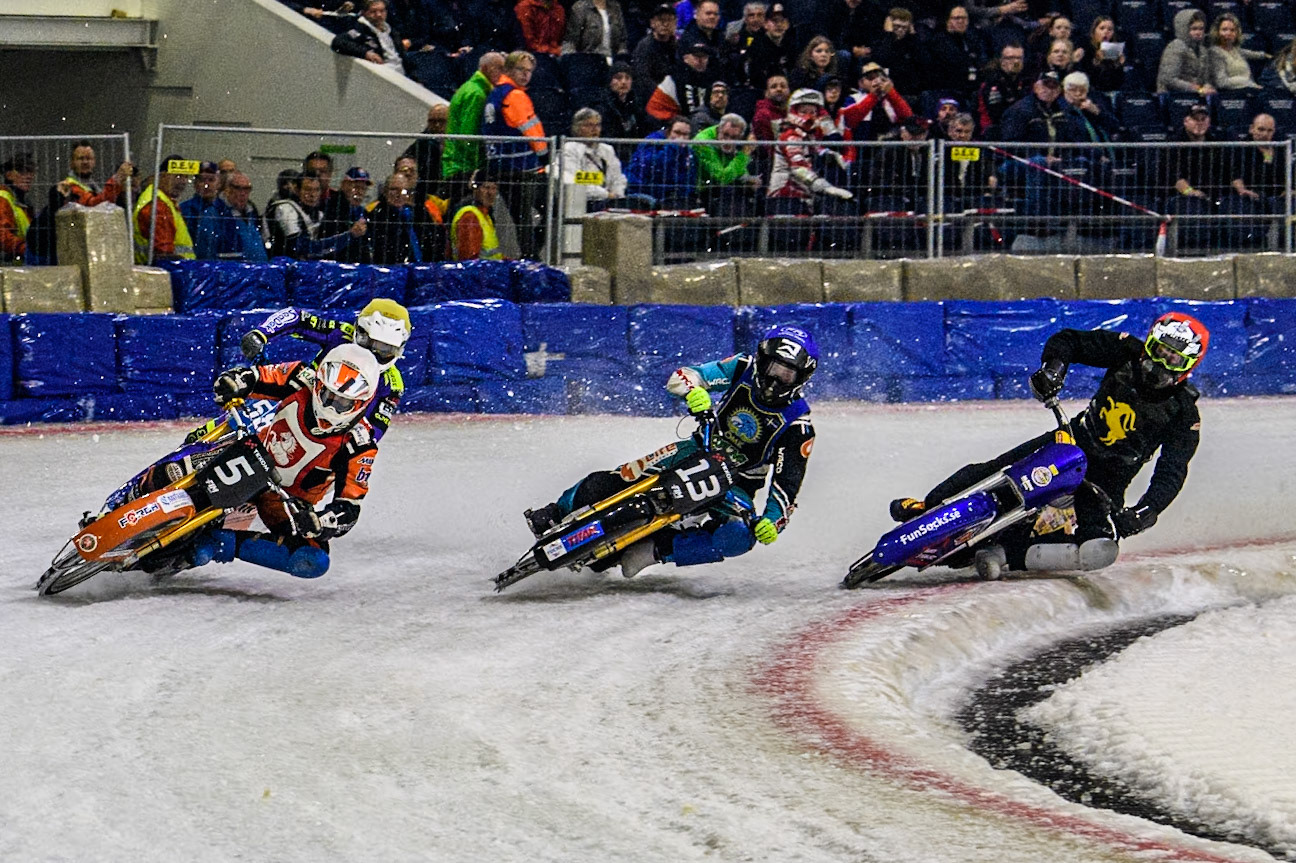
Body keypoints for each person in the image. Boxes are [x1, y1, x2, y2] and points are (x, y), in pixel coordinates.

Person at [892, 313, 1209, 577]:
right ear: (1148, 344)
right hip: (1073, 440)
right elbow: (1069, 340)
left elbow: (1173, 470)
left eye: (1173, 360)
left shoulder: (1184, 413)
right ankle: (929, 506)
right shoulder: (1125, 350)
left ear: (1188, 367)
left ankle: (1008, 554)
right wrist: (1052, 370)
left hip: (1110, 476)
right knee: (996, 469)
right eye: (1157, 351)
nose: (1159, 365)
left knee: (1099, 550)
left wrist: (1144, 512)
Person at [523, 325, 818, 580]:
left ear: (801, 378)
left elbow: (786, 487)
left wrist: (771, 521)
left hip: (737, 484)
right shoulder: (741, 366)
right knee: (626, 474)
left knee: (740, 537)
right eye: (772, 368)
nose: (775, 379)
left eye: (786, 374)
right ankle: (557, 511)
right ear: (762, 360)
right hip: (695, 449)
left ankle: (655, 551)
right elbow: (684, 375)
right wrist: (695, 390)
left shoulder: (799, 426)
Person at [227, 298, 410, 444]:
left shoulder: (392, 384)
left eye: (385, 349)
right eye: (370, 344)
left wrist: (355, 442)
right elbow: (297, 317)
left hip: (327, 433)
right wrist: (262, 333)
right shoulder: (342, 333)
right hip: (298, 397)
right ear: (358, 331)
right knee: (238, 419)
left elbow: (376, 428)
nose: (373, 353)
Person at [483, 50, 549, 259]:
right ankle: (531, 257)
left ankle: (529, 256)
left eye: (529, 71)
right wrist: (545, 157)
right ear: (509, 70)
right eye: (521, 69)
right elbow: (532, 130)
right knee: (548, 211)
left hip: (499, 165)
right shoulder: (516, 96)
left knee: (520, 218)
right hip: (521, 166)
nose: (526, 75)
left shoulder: (494, 94)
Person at [443, 51, 506, 200]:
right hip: (464, 167)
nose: (502, 73)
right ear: (485, 68)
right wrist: (480, 165)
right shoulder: (477, 94)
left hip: (457, 164)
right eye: (499, 68)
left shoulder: (470, 88)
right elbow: (469, 135)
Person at [267, 170, 367, 259]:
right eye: (307, 189)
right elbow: (302, 247)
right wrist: (349, 235)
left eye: (316, 190)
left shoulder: (319, 213)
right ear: (297, 190)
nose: (312, 194)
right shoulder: (285, 209)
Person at [694, 113, 760, 217]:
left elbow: (737, 169)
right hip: (698, 190)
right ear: (719, 129)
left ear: (740, 137)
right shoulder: (703, 142)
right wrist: (744, 154)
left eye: (734, 137)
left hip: (714, 188)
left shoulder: (732, 144)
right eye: (725, 135)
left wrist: (747, 178)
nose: (728, 141)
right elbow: (723, 177)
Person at [562, 108, 629, 209]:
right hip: (584, 202)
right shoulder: (569, 149)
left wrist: (618, 196)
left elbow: (618, 178)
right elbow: (576, 180)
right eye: (589, 125)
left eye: (597, 125)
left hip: (609, 201)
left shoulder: (607, 149)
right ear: (577, 128)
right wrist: (605, 194)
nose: (594, 129)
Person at [626, 115, 699, 207]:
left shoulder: (688, 153)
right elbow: (652, 166)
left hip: (669, 196)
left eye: (685, 134)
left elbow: (688, 179)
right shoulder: (652, 143)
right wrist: (673, 147)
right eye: (677, 132)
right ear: (668, 132)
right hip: (642, 191)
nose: (681, 138)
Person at [133, 155, 195, 264]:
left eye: (186, 177)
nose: (183, 182)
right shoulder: (157, 206)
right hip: (171, 274)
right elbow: (164, 254)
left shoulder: (164, 201)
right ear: (162, 176)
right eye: (178, 176)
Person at [839, 61, 913, 142]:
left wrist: (891, 93)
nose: (876, 81)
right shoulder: (852, 99)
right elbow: (850, 120)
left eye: (880, 77)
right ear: (861, 83)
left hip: (890, 145)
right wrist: (873, 96)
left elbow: (908, 118)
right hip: (863, 146)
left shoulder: (892, 97)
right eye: (871, 78)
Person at [646, 40, 720, 120]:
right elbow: (689, 110)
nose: (700, 60)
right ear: (686, 58)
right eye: (696, 56)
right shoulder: (679, 76)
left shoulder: (706, 76)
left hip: (676, 116)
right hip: (661, 116)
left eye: (704, 57)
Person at [922, 5, 983, 102]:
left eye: (964, 18)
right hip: (947, 92)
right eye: (956, 18)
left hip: (970, 89)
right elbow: (955, 64)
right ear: (948, 21)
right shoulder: (939, 41)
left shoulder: (972, 40)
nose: (960, 21)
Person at [596, 61, 655, 161]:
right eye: (618, 78)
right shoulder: (602, 105)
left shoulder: (637, 104)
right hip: (611, 156)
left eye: (627, 78)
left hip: (634, 156)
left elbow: (646, 127)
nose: (623, 82)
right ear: (610, 81)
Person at [179, 161, 236, 260]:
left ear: (219, 184)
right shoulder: (185, 210)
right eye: (202, 180)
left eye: (211, 180)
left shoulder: (225, 211)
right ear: (195, 184)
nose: (206, 185)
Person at [331, 0, 408, 73]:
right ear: (364, 13)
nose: (379, 15)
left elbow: (403, 57)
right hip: (383, 72)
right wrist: (366, 53)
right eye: (373, 12)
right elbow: (339, 41)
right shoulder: (360, 29)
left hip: (401, 72)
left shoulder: (392, 32)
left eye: (382, 11)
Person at [320, 167, 375, 263]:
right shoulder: (332, 208)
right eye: (356, 187)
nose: (360, 192)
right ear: (344, 185)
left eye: (363, 189)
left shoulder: (361, 211)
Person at [367, 172, 424, 263]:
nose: (399, 194)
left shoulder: (416, 214)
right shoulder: (376, 217)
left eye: (404, 190)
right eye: (394, 189)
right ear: (385, 192)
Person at [56, 140, 133, 208]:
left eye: (89, 158)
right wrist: (116, 181)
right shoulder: (68, 187)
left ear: (94, 162)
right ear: (72, 163)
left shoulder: (92, 186)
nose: (85, 162)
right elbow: (94, 205)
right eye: (80, 158)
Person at [1157, 8, 1215, 96]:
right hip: (1174, 97)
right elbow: (1169, 79)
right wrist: (1198, 89)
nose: (1198, 32)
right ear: (1184, 29)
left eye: (1201, 29)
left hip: (1197, 95)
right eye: (1194, 29)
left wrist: (1207, 87)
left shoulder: (1202, 50)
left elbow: (1207, 78)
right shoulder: (1175, 47)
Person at [401, 103, 449, 206]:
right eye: (433, 121)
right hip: (425, 197)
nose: (437, 125)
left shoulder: (457, 143)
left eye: (441, 121)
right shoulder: (420, 145)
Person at [450, 168, 505, 259]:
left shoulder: (485, 213)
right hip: (480, 272)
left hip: (488, 270)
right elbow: (469, 259)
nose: (490, 193)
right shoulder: (470, 216)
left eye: (494, 188)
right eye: (486, 187)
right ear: (475, 189)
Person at [632, 3, 680, 106]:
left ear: (675, 23)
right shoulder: (644, 47)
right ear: (652, 23)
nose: (665, 24)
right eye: (661, 20)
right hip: (652, 100)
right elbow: (642, 79)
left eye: (669, 20)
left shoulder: (677, 46)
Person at [976, 42, 1027, 138]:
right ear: (1002, 61)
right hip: (995, 135)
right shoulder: (992, 83)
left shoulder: (1026, 82)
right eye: (1010, 58)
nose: (1016, 62)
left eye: (1019, 58)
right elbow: (996, 114)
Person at [870, 7, 921, 99]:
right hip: (883, 86)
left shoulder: (912, 42)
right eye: (896, 26)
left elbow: (922, 62)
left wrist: (913, 35)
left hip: (907, 88)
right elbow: (881, 59)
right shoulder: (881, 38)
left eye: (904, 27)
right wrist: (889, 35)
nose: (900, 30)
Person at [745, 0, 797, 90]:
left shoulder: (792, 46)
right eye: (774, 21)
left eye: (782, 21)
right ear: (765, 24)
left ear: (787, 25)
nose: (779, 24)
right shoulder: (756, 47)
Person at [1209, 12, 1266, 91]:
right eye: (1224, 29)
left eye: (1232, 30)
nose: (1228, 33)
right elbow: (1221, 82)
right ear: (1217, 32)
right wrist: (1249, 83)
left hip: (1248, 91)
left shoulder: (1237, 50)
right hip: (1230, 96)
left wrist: (1269, 56)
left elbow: (1257, 54)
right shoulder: (1214, 53)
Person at [222, 171, 269, 262]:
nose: (243, 193)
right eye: (238, 188)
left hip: (258, 270)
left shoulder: (252, 212)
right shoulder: (218, 214)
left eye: (247, 189)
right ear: (227, 189)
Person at [0, 153, 36, 264]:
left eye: (30, 171)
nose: (29, 176)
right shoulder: (3, 199)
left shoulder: (22, 203)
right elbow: (2, 236)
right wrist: (26, 249)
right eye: (22, 171)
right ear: (9, 175)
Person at [562, 0, 629, 59]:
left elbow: (622, 40)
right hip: (588, 61)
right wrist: (575, 61)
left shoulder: (616, 7)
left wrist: (621, 57)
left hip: (613, 62)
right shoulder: (580, 8)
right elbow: (570, 41)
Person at [1076, 16, 1124, 94]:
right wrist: (1097, 61)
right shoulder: (1086, 47)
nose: (1106, 32)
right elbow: (1084, 76)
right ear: (1094, 31)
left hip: (1112, 90)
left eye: (1110, 29)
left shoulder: (1114, 49)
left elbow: (1118, 81)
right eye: (1102, 28)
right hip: (1090, 90)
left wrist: (1119, 65)